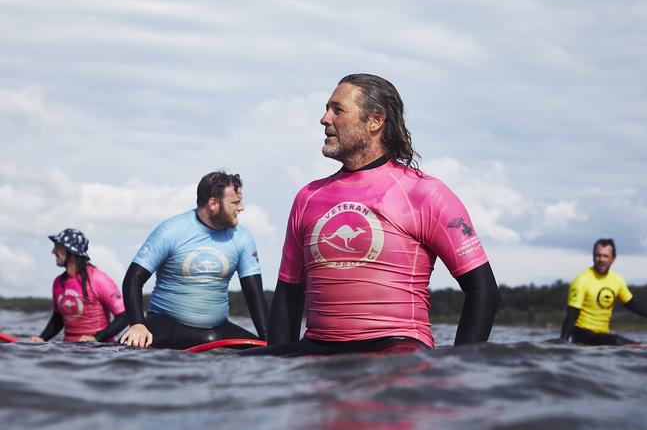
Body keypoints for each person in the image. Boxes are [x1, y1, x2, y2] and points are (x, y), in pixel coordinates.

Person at [245, 73, 500, 356]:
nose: (324, 118)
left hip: (396, 351)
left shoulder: (423, 193)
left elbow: (483, 291)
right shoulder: (308, 197)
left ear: (375, 120)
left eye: (337, 109)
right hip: (318, 348)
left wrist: (458, 368)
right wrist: (276, 376)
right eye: (327, 109)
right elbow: (287, 295)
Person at [119, 171, 269, 349]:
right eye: (235, 202)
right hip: (166, 324)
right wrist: (137, 323)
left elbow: (254, 295)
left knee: (259, 349)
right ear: (213, 203)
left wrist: (270, 343)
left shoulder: (242, 237)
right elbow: (133, 278)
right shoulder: (172, 231)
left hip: (217, 328)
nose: (241, 207)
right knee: (210, 340)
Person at [29, 228, 128, 343]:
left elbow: (124, 316)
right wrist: (42, 338)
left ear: (72, 253)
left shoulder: (98, 279)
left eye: (58, 246)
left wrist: (97, 338)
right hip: (68, 350)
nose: (53, 251)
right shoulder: (58, 282)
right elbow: (58, 318)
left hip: (99, 351)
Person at [559, 238, 647, 346]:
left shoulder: (616, 280)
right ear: (593, 257)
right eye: (598, 255)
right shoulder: (582, 280)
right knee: (617, 341)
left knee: (614, 341)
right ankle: (638, 346)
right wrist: (563, 341)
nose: (601, 259)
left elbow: (635, 305)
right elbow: (571, 315)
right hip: (582, 335)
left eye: (605, 256)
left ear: (613, 259)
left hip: (602, 337)